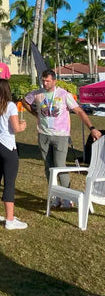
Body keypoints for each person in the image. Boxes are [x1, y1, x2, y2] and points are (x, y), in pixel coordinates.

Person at [22, 69, 102, 208]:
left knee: (60, 166)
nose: (45, 83)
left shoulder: (64, 95)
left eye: (47, 81)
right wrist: (35, 113)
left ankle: (67, 197)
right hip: (43, 134)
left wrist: (92, 128)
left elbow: (79, 111)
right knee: (48, 167)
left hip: (61, 136)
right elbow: (24, 101)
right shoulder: (38, 93)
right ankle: (54, 196)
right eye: (43, 80)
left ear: (54, 81)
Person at [0, 79, 28, 230]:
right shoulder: (10, 106)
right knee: (9, 182)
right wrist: (22, 126)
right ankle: (9, 219)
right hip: (6, 145)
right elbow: (15, 129)